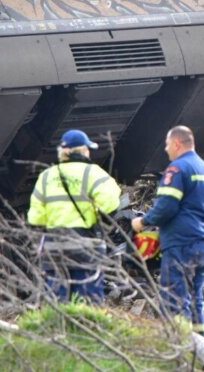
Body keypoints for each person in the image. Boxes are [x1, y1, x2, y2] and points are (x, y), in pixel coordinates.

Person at [132, 126, 204, 334]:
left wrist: (143, 222)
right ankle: (201, 348)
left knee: (175, 298)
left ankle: (180, 350)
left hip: (182, 242)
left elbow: (167, 206)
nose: (166, 149)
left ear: (177, 143)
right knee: (196, 297)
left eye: (168, 144)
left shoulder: (177, 169)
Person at [28, 129, 121, 303]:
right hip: (86, 245)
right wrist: (97, 222)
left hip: (54, 246)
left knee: (56, 303)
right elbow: (112, 202)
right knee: (88, 302)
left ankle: (58, 330)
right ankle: (86, 329)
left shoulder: (46, 176)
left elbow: (35, 217)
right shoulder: (94, 173)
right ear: (84, 150)